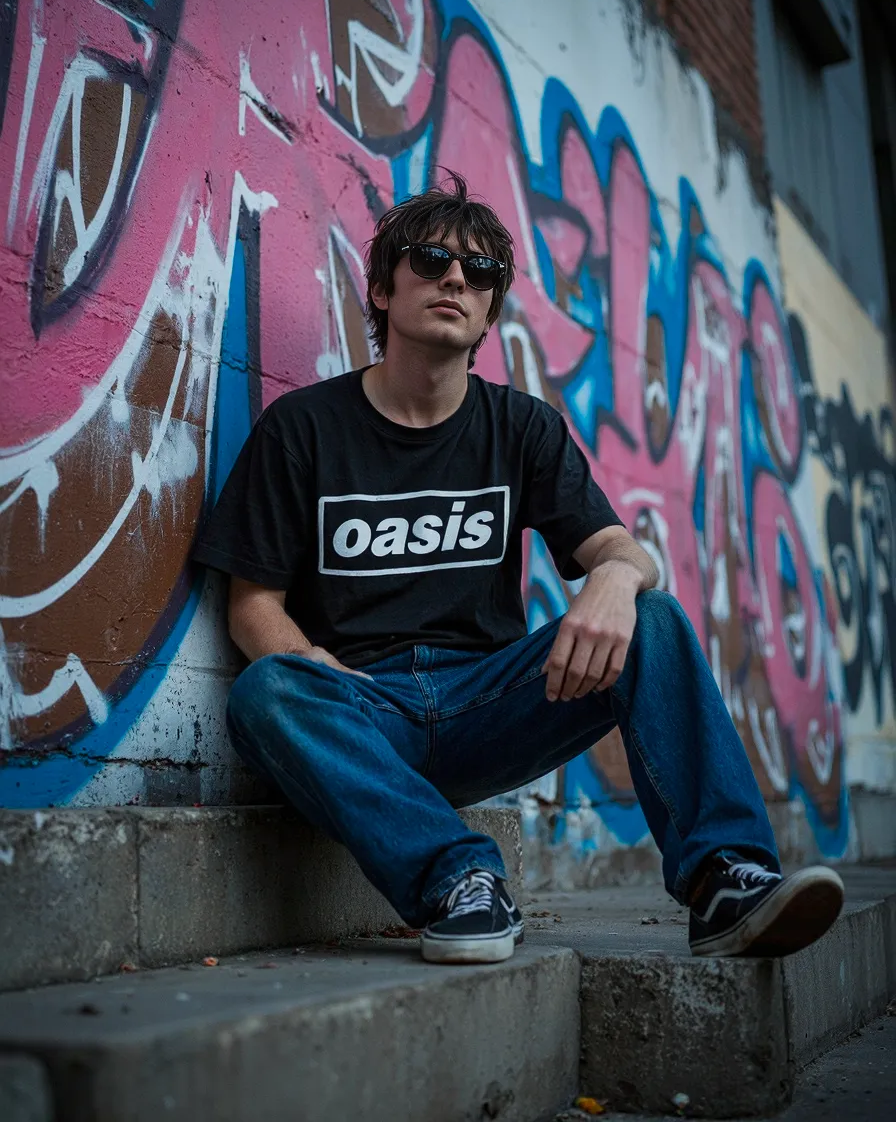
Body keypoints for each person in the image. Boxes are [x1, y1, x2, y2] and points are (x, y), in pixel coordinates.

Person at [193, 172, 844, 965]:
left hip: (489, 702)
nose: (456, 279)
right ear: (382, 289)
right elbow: (251, 605)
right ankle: (462, 881)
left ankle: (724, 878)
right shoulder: (303, 428)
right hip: (365, 711)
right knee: (267, 690)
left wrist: (612, 578)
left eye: (480, 272)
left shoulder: (522, 426)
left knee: (656, 617)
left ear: (491, 308)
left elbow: (622, 551)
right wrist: (314, 665)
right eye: (430, 260)